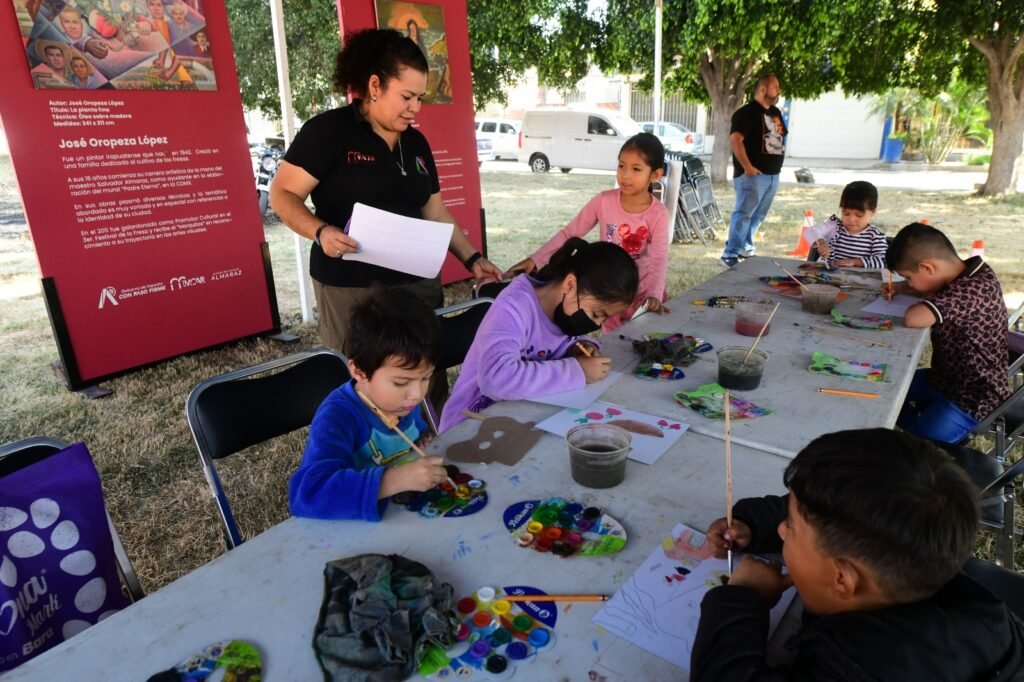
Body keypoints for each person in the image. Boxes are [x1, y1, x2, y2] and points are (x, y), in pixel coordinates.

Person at [270, 28, 502, 406]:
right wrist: (321, 231)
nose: (415, 108)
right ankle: (370, 460)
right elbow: (282, 195)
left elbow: (435, 209)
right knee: (361, 385)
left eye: (420, 98)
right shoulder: (327, 132)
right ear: (375, 85)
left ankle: (431, 449)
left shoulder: (416, 142)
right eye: (407, 96)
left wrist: (472, 258)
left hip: (415, 286)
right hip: (351, 289)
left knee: (423, 379)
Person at [695, 428, 1024, 681]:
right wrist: (752, 523)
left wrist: (741, 598)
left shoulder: (873, 666)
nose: (781, 530)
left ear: (842, 579)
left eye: (790, 528)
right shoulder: (912, 551)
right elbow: (825, 509)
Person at [439, 239, 638, 432]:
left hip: (521, 419)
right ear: (569, 285)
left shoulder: (564, 311)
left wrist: (580, 346)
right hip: (469, 425)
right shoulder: (515, 307)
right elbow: (495, 379)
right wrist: (576, 371)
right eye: (596, 314)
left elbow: (564, 338)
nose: (596, 324)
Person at [289, 288, 447, 521]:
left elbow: (413, 434)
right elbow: (308, 494)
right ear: (359, 371)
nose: (416, 394)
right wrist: (394, 480)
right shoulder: (338, 417)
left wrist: (421, 439)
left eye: (425, 378)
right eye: (401, 382)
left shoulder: (400, 401)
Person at [505, 133, 669, 332]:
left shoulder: (658, 214)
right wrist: (536, 260)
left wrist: (654, 295)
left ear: (655, 175)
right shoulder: (603, 201)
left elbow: (659, 260)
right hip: (607, 295)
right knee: (614, 347)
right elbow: (569, 234)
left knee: (644, 345)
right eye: (621, 166)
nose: (625, 175)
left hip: (643, 297)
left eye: (636, 169)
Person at [884, 222, 1009, 443]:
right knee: (885, 387)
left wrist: (915, 292)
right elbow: (938, 293)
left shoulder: (970, 289)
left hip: (972, 397)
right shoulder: (971, 271)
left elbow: (915, 318)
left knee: (920, 447)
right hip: (942, 378)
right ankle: (912, 421)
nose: (909, 283)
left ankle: (916, 430)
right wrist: (905, 287)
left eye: (908, 277)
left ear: (928, 268)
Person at [721, 74, 786, 267]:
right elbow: (736, 140)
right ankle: (730, 253)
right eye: (775, 87)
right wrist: (748, 167)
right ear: (763, 89)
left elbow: (779, 138)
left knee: (758, 214)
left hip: (773, 174)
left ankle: (745, 246)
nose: (778, 91)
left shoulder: (775, 113)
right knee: (744, 213)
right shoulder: (746, 113)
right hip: (752, 175)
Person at [810, 181, 888, 268]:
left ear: (873, 212)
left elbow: (884, 262)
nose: (851, 219)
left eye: (859, 215)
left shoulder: (875, 236)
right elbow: (810, 231)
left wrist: (856, 262)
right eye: (846, 213)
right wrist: (821, 242)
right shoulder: (834, 226)